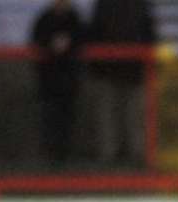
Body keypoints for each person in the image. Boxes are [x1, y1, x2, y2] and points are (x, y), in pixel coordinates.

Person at [87, 0, 157, 166]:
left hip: (135, 70)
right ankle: (108, 156)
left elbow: (149, 34)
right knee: (107, 115)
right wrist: (97, 65)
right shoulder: (103, 5)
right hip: (107, 70)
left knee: (135, 116)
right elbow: (94, 33)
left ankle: (137, 156)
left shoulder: (141, 5)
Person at [30, 0, 85, 165]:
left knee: (68, 120)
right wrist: (51, 45)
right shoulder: (44, 18)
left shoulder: (75, 18)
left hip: (69, 81)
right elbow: (36, 40)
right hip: (49, 81)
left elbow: (83, 39)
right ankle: (49, 157)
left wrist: (68, 44)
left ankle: (66, 157)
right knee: (49, 119)